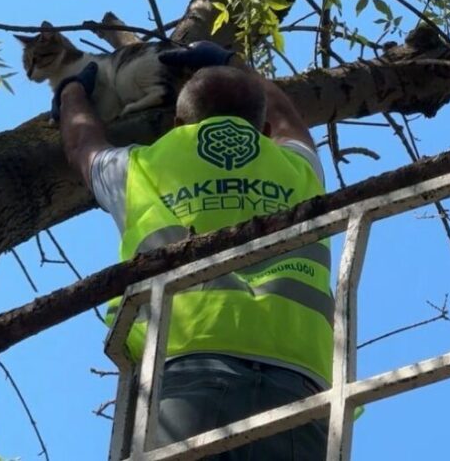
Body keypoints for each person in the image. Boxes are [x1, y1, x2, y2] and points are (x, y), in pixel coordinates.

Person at [54, 41, 331, 459]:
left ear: (177, 123)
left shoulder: (141, 169)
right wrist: (229, 60)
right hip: (303, 387)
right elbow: (290, 118)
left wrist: (71, 90)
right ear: (266, 132)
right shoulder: (299, 170)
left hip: (185, 369)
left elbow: (82, 145)